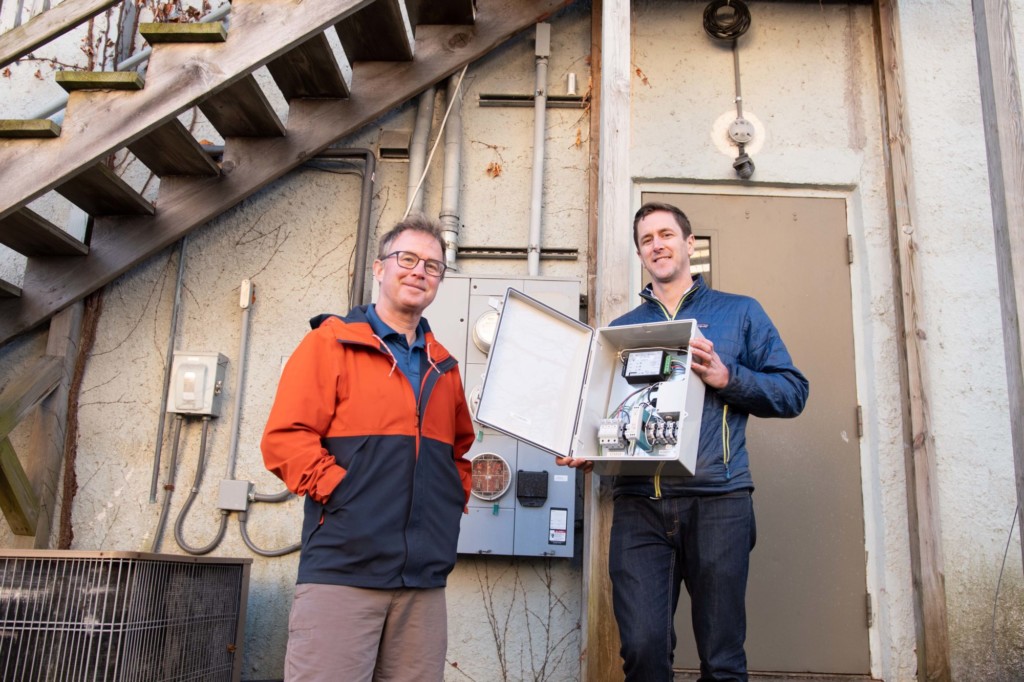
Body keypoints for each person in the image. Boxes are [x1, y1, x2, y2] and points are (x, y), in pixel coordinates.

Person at [559, 202, 809, 682]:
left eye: (666, 234)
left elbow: (793, 392)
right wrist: (592, 449)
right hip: (639, 506)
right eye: (647, 239)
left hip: (719, 500)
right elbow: (611, 417)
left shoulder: (740, 313)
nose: (657, 244)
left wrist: (727, 376)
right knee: (643, 650)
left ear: (689, 243)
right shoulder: (624, 331)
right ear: (640, 253)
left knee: (721, 657)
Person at [261, 215, 475, 682]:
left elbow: (458, 455)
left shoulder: (445, 368)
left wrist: (446, 505)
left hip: (422, 581)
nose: (419, 271)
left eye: (433, 266)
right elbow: (285, 438)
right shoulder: (329, 343)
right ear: (380, 269)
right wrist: (345, 495)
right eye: (408, 259)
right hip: (343, 571)